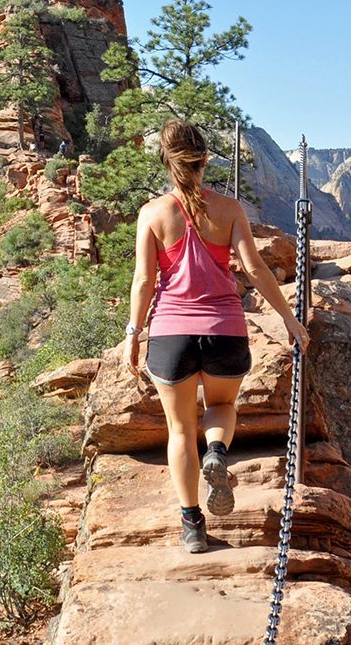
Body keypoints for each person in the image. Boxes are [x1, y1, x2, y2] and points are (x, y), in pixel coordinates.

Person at [123, 118, 311, 553]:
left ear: (165, 162)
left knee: (178, 428)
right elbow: (254, 269)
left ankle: (192, 526)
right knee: (222, 406)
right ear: (205, 159)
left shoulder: (152, 214)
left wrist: (134, 333)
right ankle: (217, 453)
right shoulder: (229, 210)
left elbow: (142, 281)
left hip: (171, 335)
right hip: (224, 330)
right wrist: (289, 319)